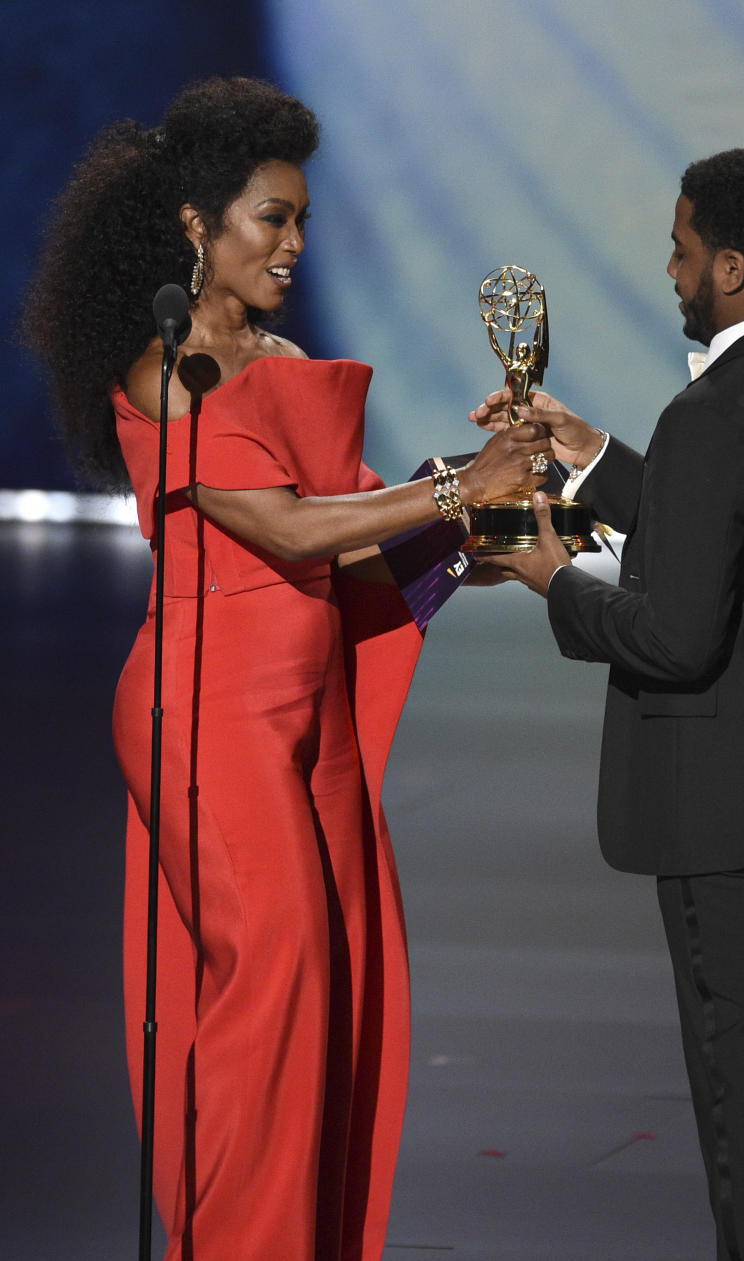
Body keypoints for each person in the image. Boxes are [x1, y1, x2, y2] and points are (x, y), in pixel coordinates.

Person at [20, 77, 551, 1261]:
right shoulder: (164, 374)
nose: (298, 245)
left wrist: (501, 526)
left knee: (330, 994)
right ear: (196, 226)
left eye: (304, 220)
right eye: (274, 218)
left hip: (301, 720)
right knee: (278, 986)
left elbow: (354, 545)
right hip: (203, 720)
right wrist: (468, 482)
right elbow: (286, 529)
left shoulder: (283, 356)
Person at [470, 148, 744, 1261]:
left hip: (728, 805)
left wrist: (551, 575)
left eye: (680, 248)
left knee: (741, 1073)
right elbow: (738, 528)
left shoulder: (718, 410)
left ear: (730, 266)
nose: (668, 268)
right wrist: (590, 451)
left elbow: (676, 632)